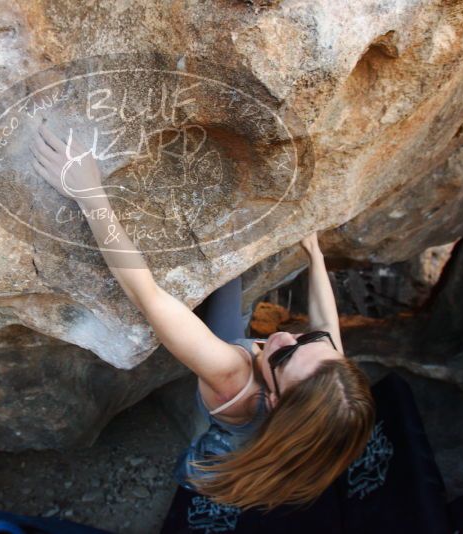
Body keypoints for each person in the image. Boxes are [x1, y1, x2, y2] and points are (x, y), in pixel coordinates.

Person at [30, 123, 375, 512]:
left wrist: (90, 195)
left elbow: (147, 296)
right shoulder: (324, 380)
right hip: (265, 388)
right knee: (231, 275)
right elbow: (327, 328)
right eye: (308, 343)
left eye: (284, 356)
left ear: (275, 400)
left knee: (225, 339)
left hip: (232, 399)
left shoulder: (230, 376)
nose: (286, 337)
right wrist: (315, 253)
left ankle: (200, 464)